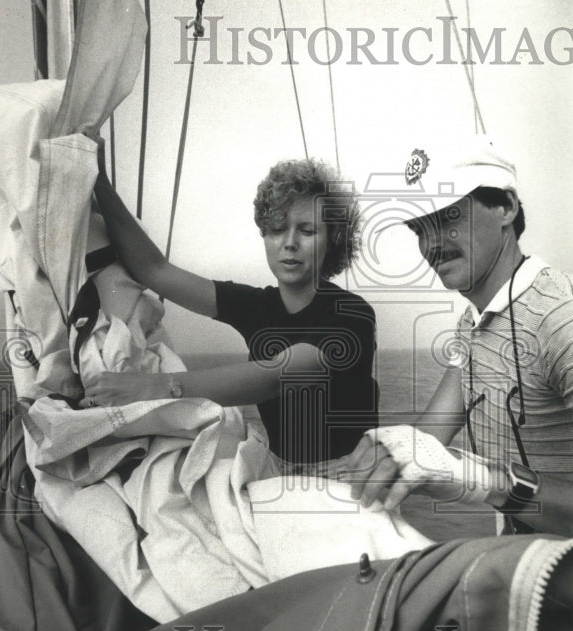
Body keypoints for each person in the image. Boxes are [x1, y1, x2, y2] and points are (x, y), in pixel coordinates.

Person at [325, 134, 573, 536]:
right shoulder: (472, 325)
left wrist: (478, 478)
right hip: (522, 563)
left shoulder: (567, 317)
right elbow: (424, 443)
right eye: (419, 228)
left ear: (506, 207)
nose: (432, 243)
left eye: (448, 217)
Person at [86, 149, 379, 469]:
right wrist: (101, 184)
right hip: (279, 476)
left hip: (350, 485)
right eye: (278, 229)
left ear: (333, 239)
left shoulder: (352, 315)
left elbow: (276, 377)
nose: (290, 242)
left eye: (307, 231)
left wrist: (154, 387)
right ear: (264, 235)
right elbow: (156, 271)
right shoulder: (257, 306)